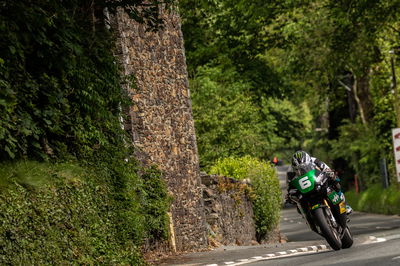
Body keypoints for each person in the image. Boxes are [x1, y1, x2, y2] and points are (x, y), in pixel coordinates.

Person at [287, 150, 352, 215]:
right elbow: (290, 184)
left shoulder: (314, 160)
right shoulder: (291, 171)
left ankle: (344, 205)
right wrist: (289, 194)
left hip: (318, 180)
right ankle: (310, 219)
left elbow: (325, 168)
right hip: (305, 189)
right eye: (298, 168)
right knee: (300, 205)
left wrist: (331, 174)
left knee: (335, 184)